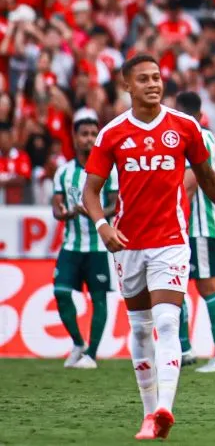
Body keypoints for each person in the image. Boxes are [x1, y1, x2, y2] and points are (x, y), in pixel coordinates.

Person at [82, 54, 215, 440]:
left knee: (168, 321)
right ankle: (146, 413)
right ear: (128, 86)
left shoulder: (185, 127)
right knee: (140, 330)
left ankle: (164, 409)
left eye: (157, 77)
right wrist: (102, 225)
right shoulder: (112, 134)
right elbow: (90, 191)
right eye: (143, 79)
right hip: (127, 244)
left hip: (172, 241)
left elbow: (209, 179)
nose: (153, 84)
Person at [52, 109, 118, 369]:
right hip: (71, 245)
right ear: (75, 137)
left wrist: (95, 211)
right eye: (85, 134)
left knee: (99, 298)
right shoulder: (64, 172)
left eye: (94, 134)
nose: (89, 139)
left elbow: (115, 205)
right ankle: (78, 342)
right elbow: (56, 207)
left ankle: (91, 354)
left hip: (99, 246)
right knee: (60, 292)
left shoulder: (108, 170)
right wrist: (64, 213)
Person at [174, 91, 215, 373]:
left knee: (207, 286)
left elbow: (188, 184)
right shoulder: (196, 136)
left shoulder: (200, 137)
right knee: (177, 284)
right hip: (188, 225)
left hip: (199, 224)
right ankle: (184, 349)